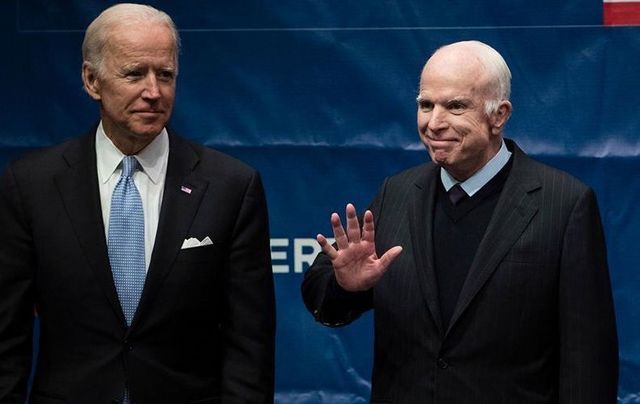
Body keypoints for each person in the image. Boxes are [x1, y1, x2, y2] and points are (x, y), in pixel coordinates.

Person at [302, 40, 618, 403]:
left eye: (455, 106)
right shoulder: (397, 194)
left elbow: (588, 362)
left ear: (498, 115)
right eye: (425, 105)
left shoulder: (565, 204)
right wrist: (346, 287)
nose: (434, 123)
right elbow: (325, 303)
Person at [0, 4, 275, 403]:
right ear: (92, 80)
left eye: (165, 75)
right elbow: (7, 339)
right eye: (134, 74)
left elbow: (249, 345)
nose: (153, 92)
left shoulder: (231, 186)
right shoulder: (31, 185)